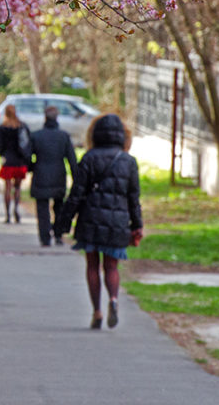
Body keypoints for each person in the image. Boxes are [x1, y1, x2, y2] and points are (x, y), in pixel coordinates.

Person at [55, 114, 143, 330]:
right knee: (111, 266)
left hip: (90, 219)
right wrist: (137, 225)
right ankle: (113, 299)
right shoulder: (128, 162)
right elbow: (134, 198)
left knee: (92, 265)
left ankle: (97, 312)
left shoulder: (89, 158)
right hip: (118, 221)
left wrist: (63, 223)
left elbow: (76, 194)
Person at [29, 105, 78, 247]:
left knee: (42, 208)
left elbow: (27, 156)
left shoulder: (36, 136)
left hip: (40, 174)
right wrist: (77, 178)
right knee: (59, 206)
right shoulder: (63, 136)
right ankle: (58, 234)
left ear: (45, 117)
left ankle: (45, 237)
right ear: (57, 118)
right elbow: (72, 159)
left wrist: (32, 167)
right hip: (58, 174)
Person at [0, 104, 32, 224]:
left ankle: (7, 215)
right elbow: (28, 142)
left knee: (7, 188)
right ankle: (16, 209)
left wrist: (2, 155)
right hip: (20, 161)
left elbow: (0, 146)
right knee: (17, 188)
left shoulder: (2, 128)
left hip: (8, 161)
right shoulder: (22, 126)